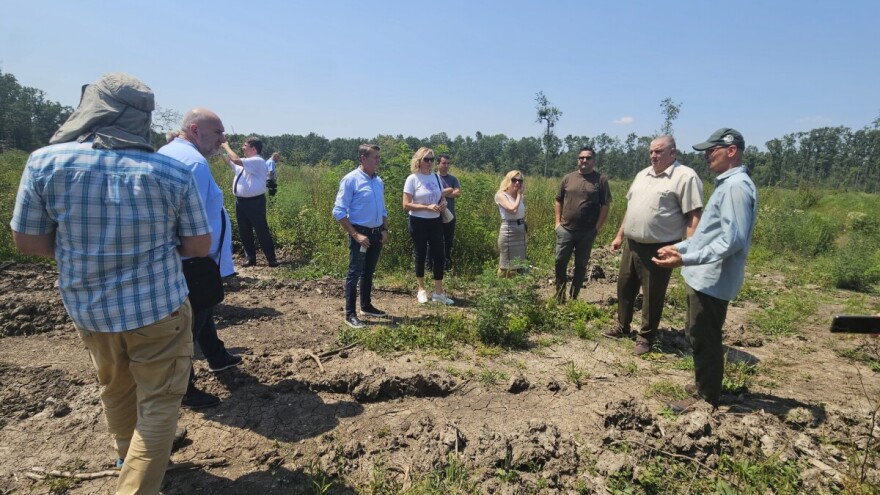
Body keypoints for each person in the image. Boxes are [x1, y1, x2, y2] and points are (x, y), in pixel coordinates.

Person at [10, 73, 212, 494]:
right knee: (158, 405)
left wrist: (84, 256)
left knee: (116, 389)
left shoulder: (45, 162)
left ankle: (129, 460)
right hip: (160, 309)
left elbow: (27, 240)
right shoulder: (171, 172)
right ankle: (136, 485)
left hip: (90, 309)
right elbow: (198, 245)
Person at [653, 128, 758, 414]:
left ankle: (707, 398)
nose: (707, 156)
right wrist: (681, 249)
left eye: (712, 150)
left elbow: (731, 240)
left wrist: (685, 259)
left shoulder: (736, 187)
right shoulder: (728, 184)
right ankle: (705, 384)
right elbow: (709, 235)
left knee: (705, 336)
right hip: (705, 276)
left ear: (731, 150)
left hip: (713, 279)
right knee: (697, 333)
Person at [159, 108, 243, 409]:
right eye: (218, 132)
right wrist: (201, 256)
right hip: (194, 258)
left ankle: (217, 357)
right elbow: (189, 217)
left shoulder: (169, 153)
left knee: (202, 311)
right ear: (195, 130)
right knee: (188, 326)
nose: (223, 139)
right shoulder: (193, 163)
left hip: (188, 256)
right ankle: (183, 389)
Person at [607, 136, 704, 356]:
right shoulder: (643, 175)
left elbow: (694, 215)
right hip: (632, 244)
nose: (653, 156)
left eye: (659, 151)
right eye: (651, 151)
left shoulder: (685, 177)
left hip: (660, 247)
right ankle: (622, 326)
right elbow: (631, 208)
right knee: (624, 286)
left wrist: (687, 250)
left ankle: (646, 336)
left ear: (673, 153)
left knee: (652, 294)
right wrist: (619, 235)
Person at [333, 144, 389, 328]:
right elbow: (339, 211)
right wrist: (355, 234)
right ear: (363, 159)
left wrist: (384, 229)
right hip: (360, 234)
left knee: (369, 271)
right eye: (375, 157)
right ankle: (350, 314)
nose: (378, 160)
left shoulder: (378, 181)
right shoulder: (351, 180)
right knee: (354, 273)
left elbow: (382, 208)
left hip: (376, 234)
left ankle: (366, 306)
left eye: (378, 157)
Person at [554, 146, 611, 303]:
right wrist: (557, 223)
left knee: (581, 265)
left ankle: (574, 296)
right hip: (565, 229)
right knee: (560, 261)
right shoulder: (568, 179)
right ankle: (559, 296)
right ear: (578, 160)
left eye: (588, 158)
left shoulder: (601, 180)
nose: (584, 160)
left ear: (594, 161)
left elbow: (605, 205)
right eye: (581, 158)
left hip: (587, 232)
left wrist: (596, 228)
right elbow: (558, 200)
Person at [402, 147, 454, 305]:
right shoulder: (413, 179)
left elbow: (440, 197)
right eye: (426, 159)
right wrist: (426, 207)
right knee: (421, 254)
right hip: (418, 221)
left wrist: (443, 203)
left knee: (439, 255)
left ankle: (438, 293)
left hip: (436, 220)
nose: (430, 162)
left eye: (432, 159)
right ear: (419, 160)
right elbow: (406, 205)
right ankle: (421, 290)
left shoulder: (436, 178)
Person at [220, 137, 279, 267]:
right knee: (244, 231)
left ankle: (271, 259)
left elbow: (235, 159)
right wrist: (221, 150)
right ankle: (250, 258)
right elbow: (229, 161)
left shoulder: (257, 161)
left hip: (255, 202)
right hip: (240, 202)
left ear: (253, 149)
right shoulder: (245, 164)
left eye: (245, 145)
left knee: (261, 230)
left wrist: (226, 146)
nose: (243, 147)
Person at [427, 153, 461, 271]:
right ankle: (429, 265)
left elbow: (458, 193)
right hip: (434, 215)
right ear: (437, 164)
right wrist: (449, 189)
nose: (446, 165)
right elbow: (433, 193)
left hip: (450, 216)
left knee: (448, 241)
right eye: (443, 163)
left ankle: (446, 263)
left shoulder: (453, 179)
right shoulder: (433, 178)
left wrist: (444, 192)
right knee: (432, 241)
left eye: (448, 163)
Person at [495, 170, 527, 276]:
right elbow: (512, 210)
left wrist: (519, 196)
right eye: (514, 180)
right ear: (508, 180)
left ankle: (514, 287)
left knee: (517, 264)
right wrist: (518, 195)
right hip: (508, 229)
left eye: (520, 180)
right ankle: (499, 285)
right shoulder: (501, 195)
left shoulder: (520, 196)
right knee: (505, 264)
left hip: (520, 228)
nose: (517, 183)